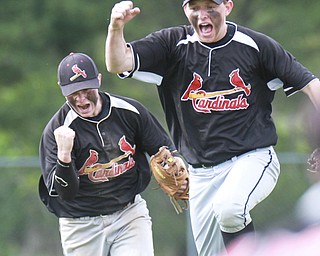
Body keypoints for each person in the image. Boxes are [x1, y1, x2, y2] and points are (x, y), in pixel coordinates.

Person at [105, 0, 320, 255]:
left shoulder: (254, 45)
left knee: (229, 208)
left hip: (252, 158)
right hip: (200, 174)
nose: (202, 14)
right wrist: (115, 28)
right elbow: (118, 63)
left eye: (211, 6)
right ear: (185, 10)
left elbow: (311, 84)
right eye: (195, 7)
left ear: (228, 7)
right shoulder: (172, 45)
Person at [38, 52, 182, 256]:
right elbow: (65, 193)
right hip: (80, 225)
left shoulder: (129, 111)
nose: (80, 99)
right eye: (72, 93)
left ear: (98, 80)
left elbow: (162, 147)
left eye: (85, 89)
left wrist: (175, 162)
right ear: (63, 91)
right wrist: (64, 156)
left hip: (128, 215)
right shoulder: (56, 131)